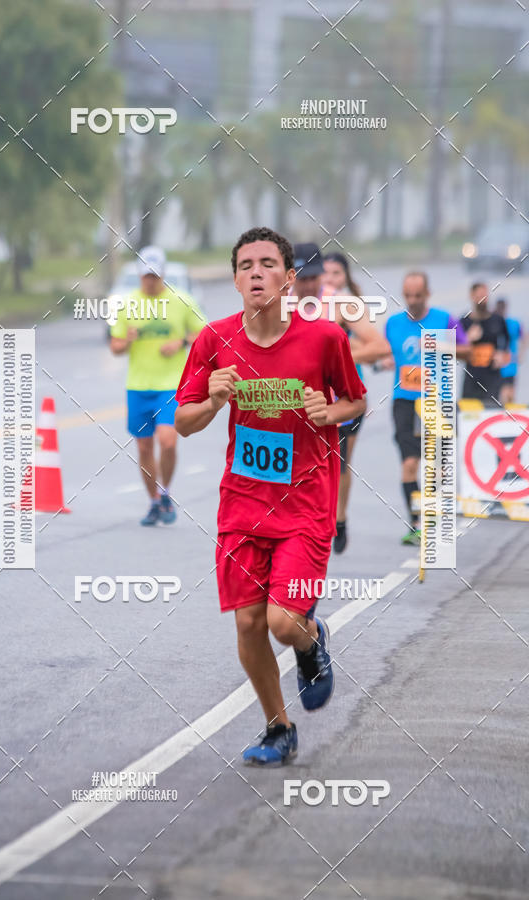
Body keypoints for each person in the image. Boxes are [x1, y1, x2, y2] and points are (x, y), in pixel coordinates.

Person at [175, 227, 366, 766]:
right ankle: (278, 728)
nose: (255, 273)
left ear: (288, 278)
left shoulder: (325, 339)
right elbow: (183, 423)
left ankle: (309, 642)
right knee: (248, 623)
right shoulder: (213, 340)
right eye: (245, 265)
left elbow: (355, 401)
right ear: (235, 279)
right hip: (242, 502)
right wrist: (212, 401)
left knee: (284, 622)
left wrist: (330, 413)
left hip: (306, 504)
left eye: (267, 264)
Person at [110, 246, 206, 526]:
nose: (150, 281)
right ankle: (154, 501)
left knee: (167, 440)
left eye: (154, 275)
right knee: (143, 448)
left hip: (171, 386)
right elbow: (115, 347)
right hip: (138, 387)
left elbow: (204, 333)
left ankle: (165, 491)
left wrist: (181, 342)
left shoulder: (181, 300)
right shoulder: (127, 304)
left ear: (162, 274)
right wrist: (126, 341)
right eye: (145, 276)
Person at [384, 271, 469, 545]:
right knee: (409, 464)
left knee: (439, 467)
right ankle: (417, 523)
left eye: (417, 296)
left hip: (438, 399)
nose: (412, 301)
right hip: (405, 400)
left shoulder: (445, 319)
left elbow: (469, 351)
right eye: (407, 296)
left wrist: (439, 345)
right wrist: (383, 360)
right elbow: (383, 352)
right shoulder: (393, 324)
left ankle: (438, 524)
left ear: (428, 294)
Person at [321, 252, 390, 553]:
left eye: (336, 273)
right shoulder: (309, 306)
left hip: (348, 395)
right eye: (325, 273)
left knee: (339, 464)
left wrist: (343, 355)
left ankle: (340, 517)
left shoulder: (349, 307)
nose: (330, 279)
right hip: (313, 396)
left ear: (346, 277)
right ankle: (318, 520)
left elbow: (373, 347)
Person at [459, 283, 510, 405]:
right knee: (468, 414)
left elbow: (507, 343)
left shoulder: (497, 319)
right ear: (472, 296)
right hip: (471, 378)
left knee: (491, 411)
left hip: (492, 378)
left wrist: (503, 356)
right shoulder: (464, 321)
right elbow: (453, 351)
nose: (483, 299)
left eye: (485, 295)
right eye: (479, 296)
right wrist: (468, 339)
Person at [495, 297, 525, 405]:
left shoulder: (513, 323)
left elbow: (525, 337)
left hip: (510, 361)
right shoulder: (495, 322)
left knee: (508, 392)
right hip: (499, 363)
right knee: (504, 392)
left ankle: (509, 415)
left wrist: (521, 354)